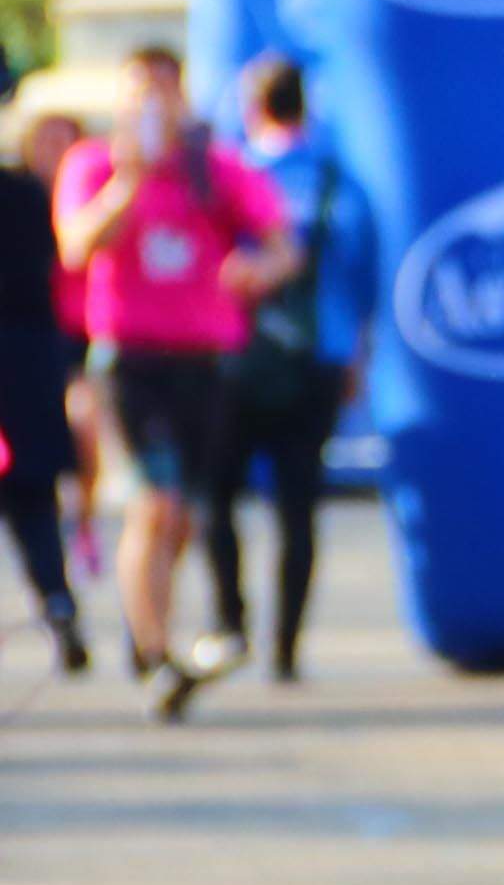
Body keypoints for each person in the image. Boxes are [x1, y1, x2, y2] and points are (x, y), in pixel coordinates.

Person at [54, 45, 298, 717]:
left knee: (184, 512)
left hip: (205, 361)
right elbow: (77, 245)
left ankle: (146, 628)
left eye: (165, 90)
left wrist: (258, 272)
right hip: (132, 359)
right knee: (154, 503)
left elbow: (282, 244)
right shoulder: (96, 164)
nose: (154, 104)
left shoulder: (214, 168)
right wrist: (129, 181)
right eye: (141, 92)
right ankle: (157, 653)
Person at [205, 57, 375, 685]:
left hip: (236, 357)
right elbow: (363, 278)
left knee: (216, 495)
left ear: (254, 108)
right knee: (298, 505)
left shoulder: (233, 176)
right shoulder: (340, 183)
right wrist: (358, 355)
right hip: (320, 358)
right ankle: (286, 647)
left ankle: (231, 622)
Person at [0, 91, 89, 670]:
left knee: (33, 499)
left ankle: (58, 604)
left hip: (26, 357)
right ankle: (58, 603)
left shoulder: (28, 192)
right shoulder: (30, 194)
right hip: (29, 361)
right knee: (34, 503)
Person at [25, 110, 103, 582]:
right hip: (32, 338)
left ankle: (83, 520)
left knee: (82, 426)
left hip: (81, 332)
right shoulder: (19, 199)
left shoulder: (88, 196)